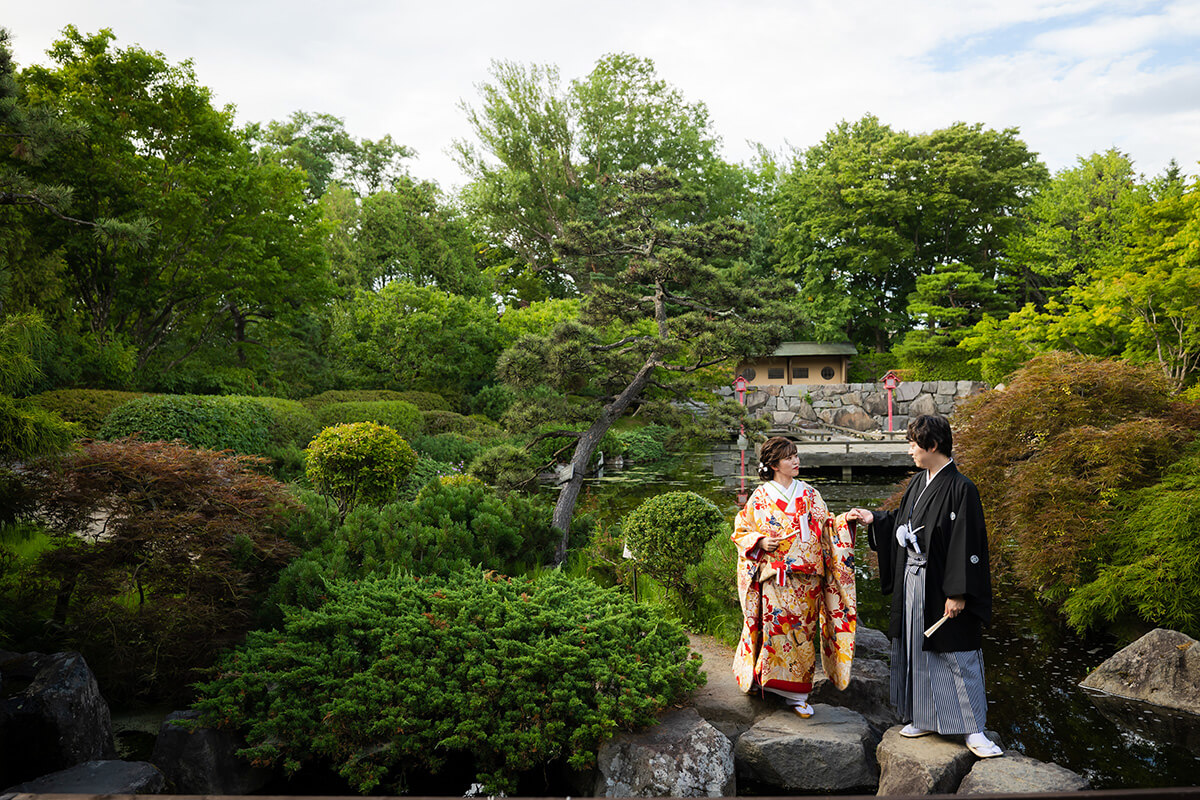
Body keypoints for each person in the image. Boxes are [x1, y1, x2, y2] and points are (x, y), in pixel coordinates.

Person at [846, 414, 1002, 758]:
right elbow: (902, 520)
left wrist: (958, 592)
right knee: (917, 647)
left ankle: (974, 729)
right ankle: (925, 716)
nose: (910, 450)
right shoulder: (920, 482)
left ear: (932, 446)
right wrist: (877, 520)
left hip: (943, 583)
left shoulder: (963, 489)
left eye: (914, 444)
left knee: (955, 653)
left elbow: (968, 544)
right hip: (913, 579)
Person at [731, 436, 856, 717]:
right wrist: (760, 541)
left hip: (808, 579)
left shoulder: (810, 494)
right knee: (776, 633)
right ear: (774, 464)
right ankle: (771, 685)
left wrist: (845, 521)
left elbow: (828, 527)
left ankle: (798, 694)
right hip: (775, 578)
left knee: (803, 635)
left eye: (796, 455)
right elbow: (742, 528)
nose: (796, 461)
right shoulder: (760, 497)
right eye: (789, 457)